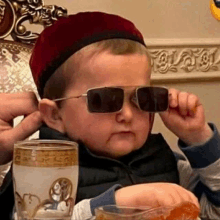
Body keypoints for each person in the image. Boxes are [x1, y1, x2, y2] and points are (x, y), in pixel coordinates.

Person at [0, 11, 219, 220]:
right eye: (105, 99)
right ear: (55, 115)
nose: (127, 114)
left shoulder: (166, 162)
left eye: (141, 97)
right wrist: (114, 205)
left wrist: (199, 138)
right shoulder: (39, 171)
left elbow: (213, 211)